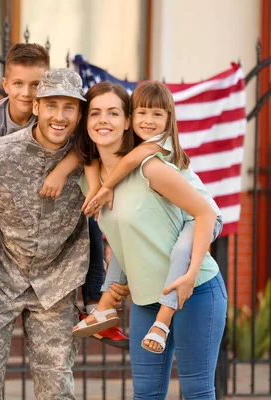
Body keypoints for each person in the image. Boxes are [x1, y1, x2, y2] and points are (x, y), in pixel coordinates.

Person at [0, 43, 127, 349]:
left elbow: (85, 151)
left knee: (92, 221)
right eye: (19, 84)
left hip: (53, 271)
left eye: (34, 85)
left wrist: (68, 177)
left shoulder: (68, 124)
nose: (27, 93)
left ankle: (96, 303)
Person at [0, 68, 99, 399]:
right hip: (1, 277)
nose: (59, 116)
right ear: (37, 107)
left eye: (69, 107)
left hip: (56, 283)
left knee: (57, 388)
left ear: (80, 113)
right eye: (52, 105)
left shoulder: (91, 160)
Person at [75, 81, 227, 398]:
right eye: (95, 114)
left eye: (113, 113)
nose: (103, 121)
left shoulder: (150, 166)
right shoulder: (89, 178)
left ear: (126, 120)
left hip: (195, 290)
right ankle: (104, 308)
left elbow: (206, 213)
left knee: (197, 390)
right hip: (146, 298)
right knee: (146, 394)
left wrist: (188, 276)